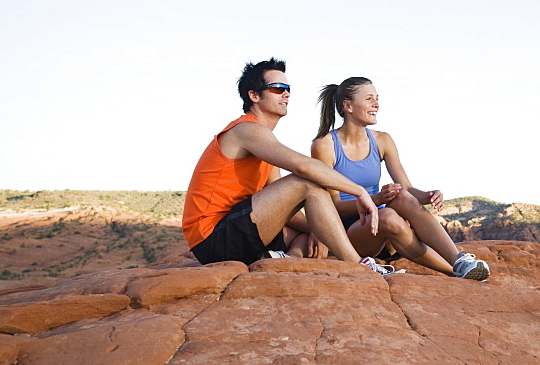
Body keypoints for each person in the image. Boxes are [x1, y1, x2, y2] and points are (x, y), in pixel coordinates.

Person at [182, 59, 399, 275]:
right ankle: (359, 266)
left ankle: (285, 261)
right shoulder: (246, 130)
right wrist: (360, 192)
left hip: (235, 230)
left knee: (304, 233)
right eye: (278, 89)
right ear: (254, 96)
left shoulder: (264, 142)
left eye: (288, 89)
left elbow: (282, 201)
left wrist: (318, 230)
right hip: (212, 238)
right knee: (308, 182)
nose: (286, 94)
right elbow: (303, 167)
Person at [311, 77, 490, 281]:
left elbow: (406, 187)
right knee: (387, 215)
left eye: (377, 99)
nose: (376, 104)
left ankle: (459, 260)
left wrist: (428, 195)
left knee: (402, 196)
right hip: (351, 232)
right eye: (369, 99)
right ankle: (453, 273)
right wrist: (376, 200)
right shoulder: (325, 145)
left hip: (385, 226)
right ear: (348, 106)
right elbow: (330, 205)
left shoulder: (382, 140)